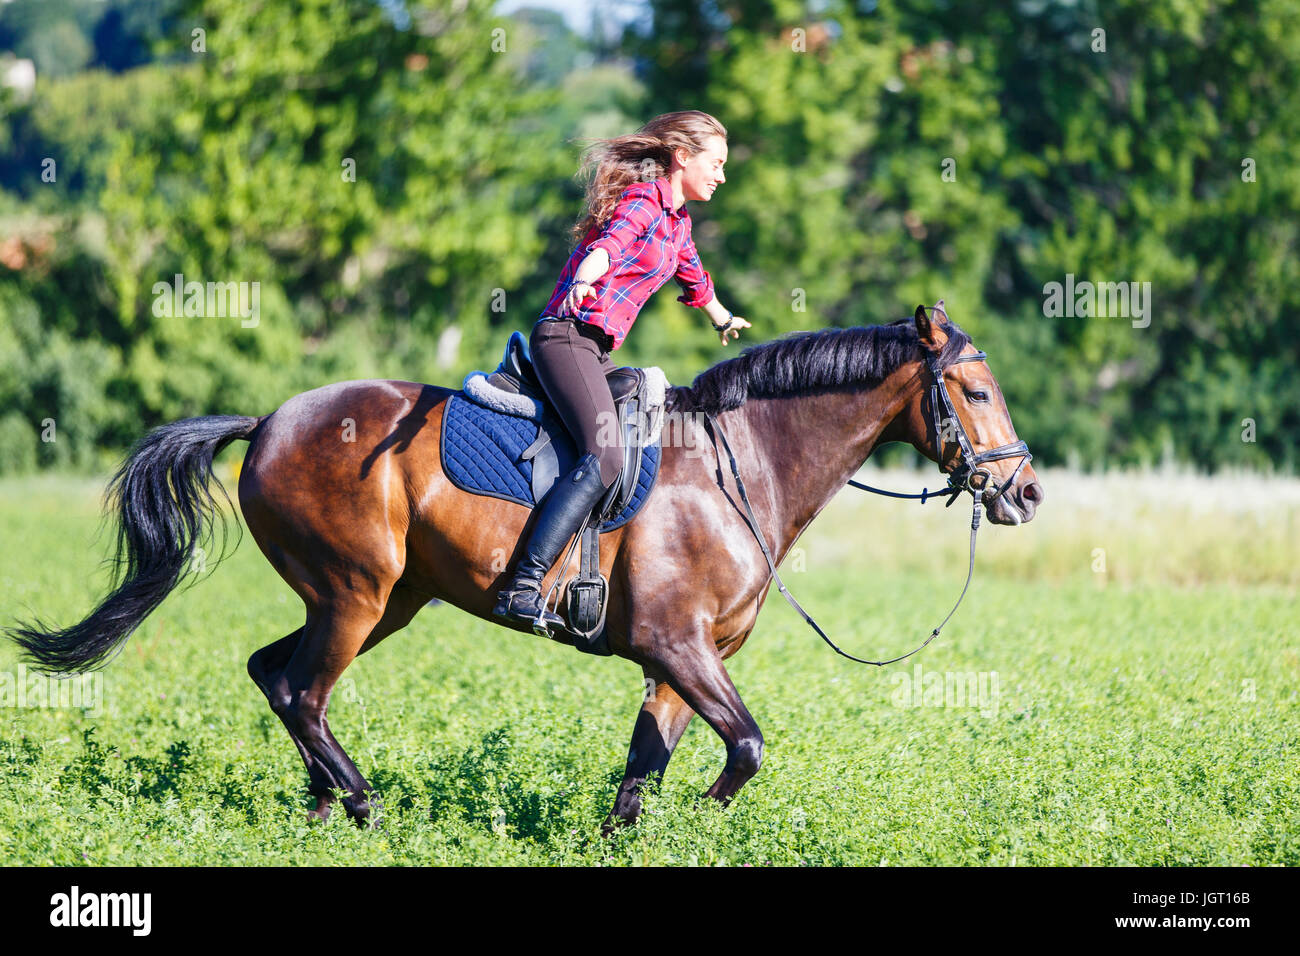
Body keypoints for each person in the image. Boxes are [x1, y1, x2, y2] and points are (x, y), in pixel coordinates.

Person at [492, 109, 752, 634]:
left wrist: (721, 317)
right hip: (565, 336)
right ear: (682, 158)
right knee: (605, 454)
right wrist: (587, 274)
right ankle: (523, 584)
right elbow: (608, 245)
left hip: (594, 349)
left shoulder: (678, 223)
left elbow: (695, 277)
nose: (722, 175)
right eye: (716, 163)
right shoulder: (642, 202)